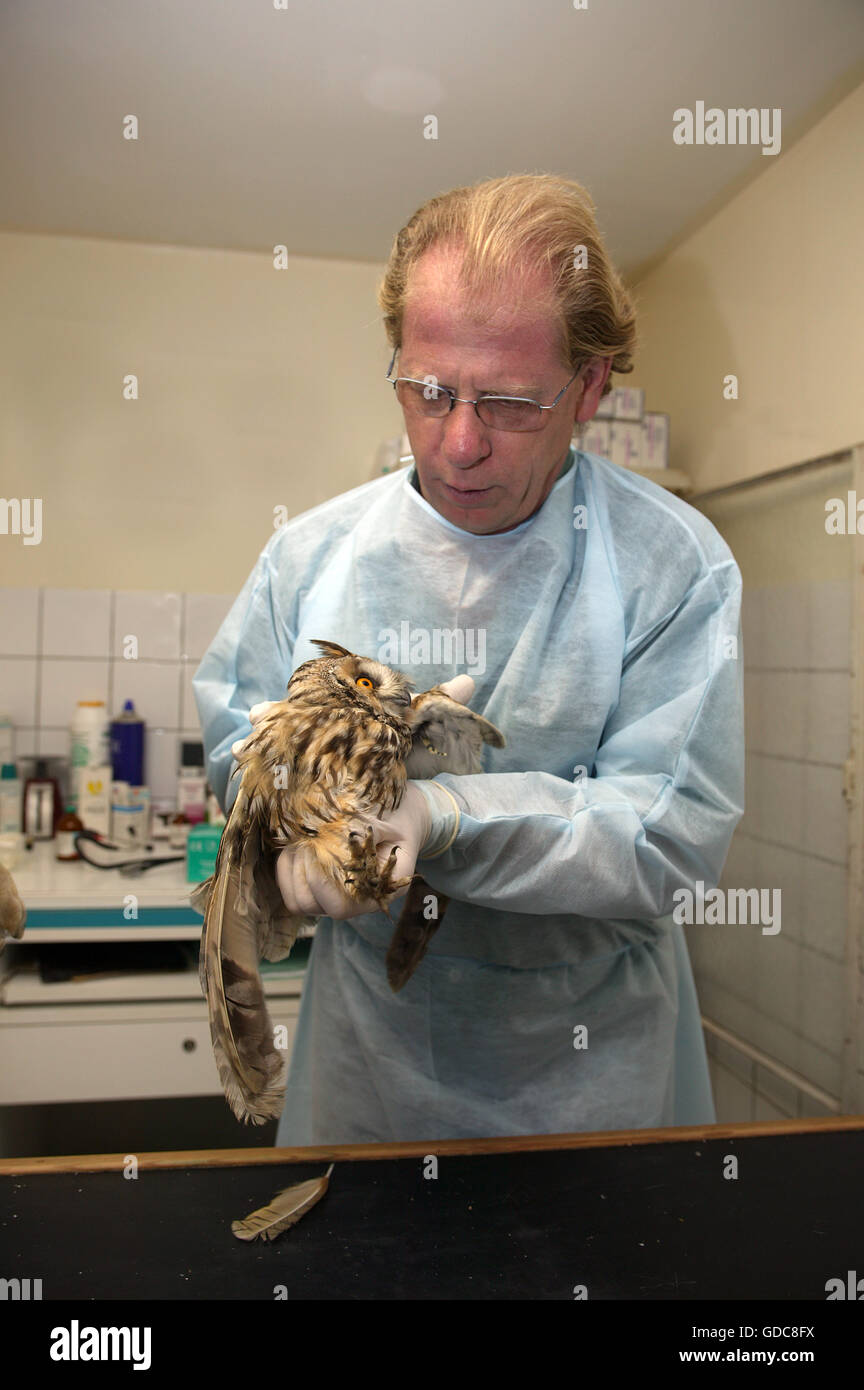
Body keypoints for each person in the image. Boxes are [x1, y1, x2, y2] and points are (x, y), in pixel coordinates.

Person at [193, 173, 744, 1144]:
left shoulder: (674, 566)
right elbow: (238, 743)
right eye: (430, 390)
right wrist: (295, 821)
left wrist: (444, 814)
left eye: (511, 403)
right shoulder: (312, 559)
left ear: (591, 386)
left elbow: (668, 832)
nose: (459, 444)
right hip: (372, 1071)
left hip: (594, 1077)